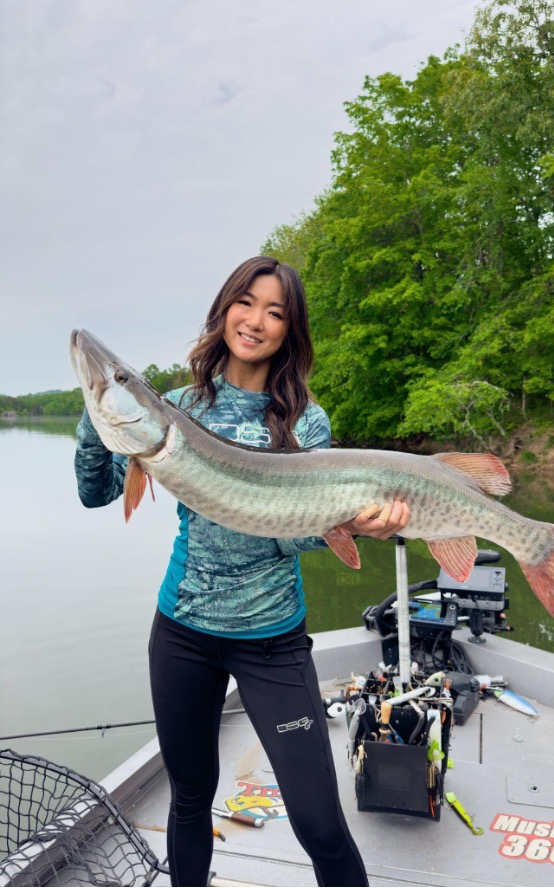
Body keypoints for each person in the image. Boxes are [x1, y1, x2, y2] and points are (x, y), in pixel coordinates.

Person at [74, 256, 410, 887]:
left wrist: (354, 523)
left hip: (271, 642)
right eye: (246, 303)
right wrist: (98, 415)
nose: (255, 321)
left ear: (290, 330)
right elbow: (96, 491)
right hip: (182, 633)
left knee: (319, 821)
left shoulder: (305, 421)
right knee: (190, 799)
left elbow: (295, 535)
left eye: (275, 311)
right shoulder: (174, 407)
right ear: (225, 307)